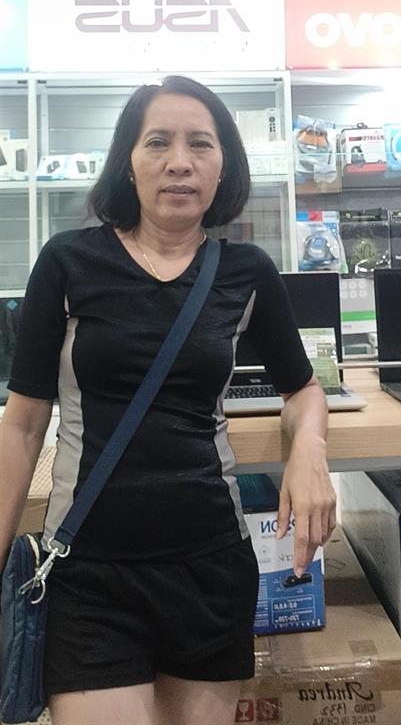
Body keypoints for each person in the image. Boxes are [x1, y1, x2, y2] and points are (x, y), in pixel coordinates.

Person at [0, 74, 336, 725]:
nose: (179, 161)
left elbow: (302, 388)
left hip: (210, 563)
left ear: (222, 167)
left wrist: (309, 449)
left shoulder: (247, 271)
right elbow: (23, 425)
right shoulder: (67, 262)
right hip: (89, 568)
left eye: (200, 144)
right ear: (128, 161)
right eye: (157, 142)